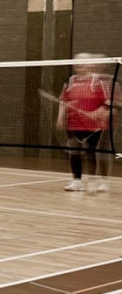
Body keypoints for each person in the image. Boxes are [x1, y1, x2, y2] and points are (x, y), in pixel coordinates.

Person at [58, 53, 115, 193]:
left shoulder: (97, 82)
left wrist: (96, 112)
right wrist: (60, 117)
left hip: (93, 125)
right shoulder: (70, 82)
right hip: (73, 123)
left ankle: (92, 180)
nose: (80, 64)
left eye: (83, 61)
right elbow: (63, 101)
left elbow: (107, 103)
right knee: (74, 151)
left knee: (90, 152)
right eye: (77, 61)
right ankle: (76, 181)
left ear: (90, 64)